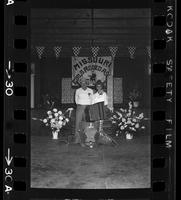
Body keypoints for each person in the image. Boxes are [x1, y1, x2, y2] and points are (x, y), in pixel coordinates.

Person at [74, 77, 93, 147]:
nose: (83, 84)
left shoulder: (90, 90)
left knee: (87, 124)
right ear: (80, 84)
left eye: (85, 83)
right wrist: (80, 106)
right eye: (82, 83)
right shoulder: (78, 90)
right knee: (78, 124)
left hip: (88, 108)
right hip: (80, 107)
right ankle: (77, 140)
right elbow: (76, 100)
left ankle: (87, 140)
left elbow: (92, 99)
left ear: (87, 83)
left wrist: (89, 107)